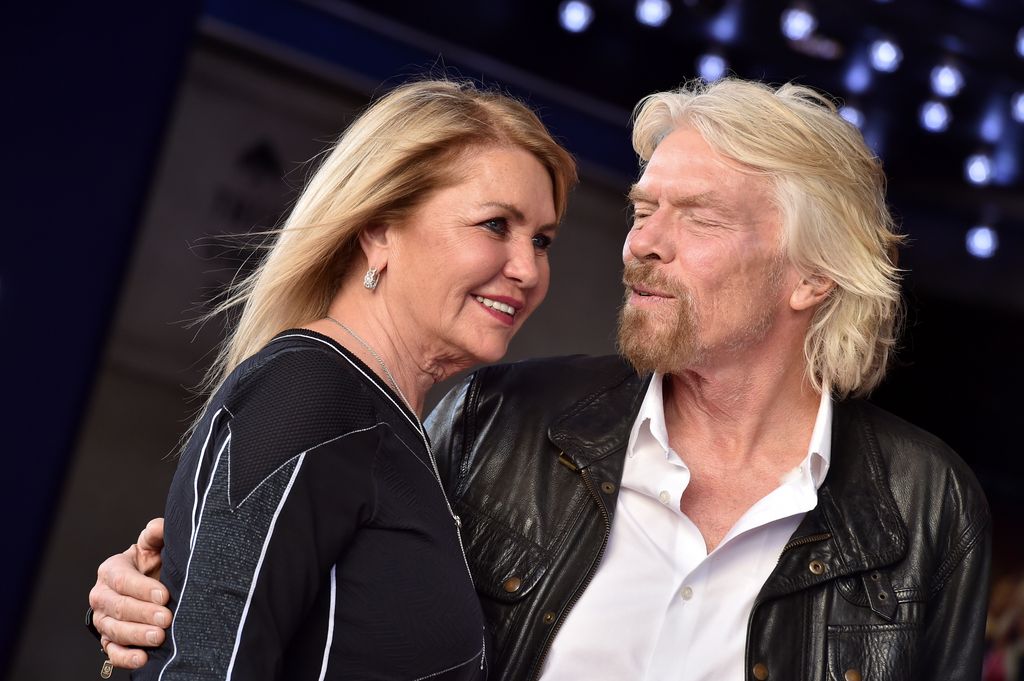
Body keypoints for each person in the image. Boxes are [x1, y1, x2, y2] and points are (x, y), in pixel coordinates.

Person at [89, 78, 990, 680]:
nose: (641, 242)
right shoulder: (498, 418)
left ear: (811, 276)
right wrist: (166, 598)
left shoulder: (925, 504)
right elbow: (303, 589)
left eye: (699, 218)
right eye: (642, 211)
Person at [88, 78, 577, 680]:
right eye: (495, 225)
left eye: (543, 240)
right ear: (378, 229)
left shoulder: (391, 427)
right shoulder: (307, 394)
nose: (528, 269)